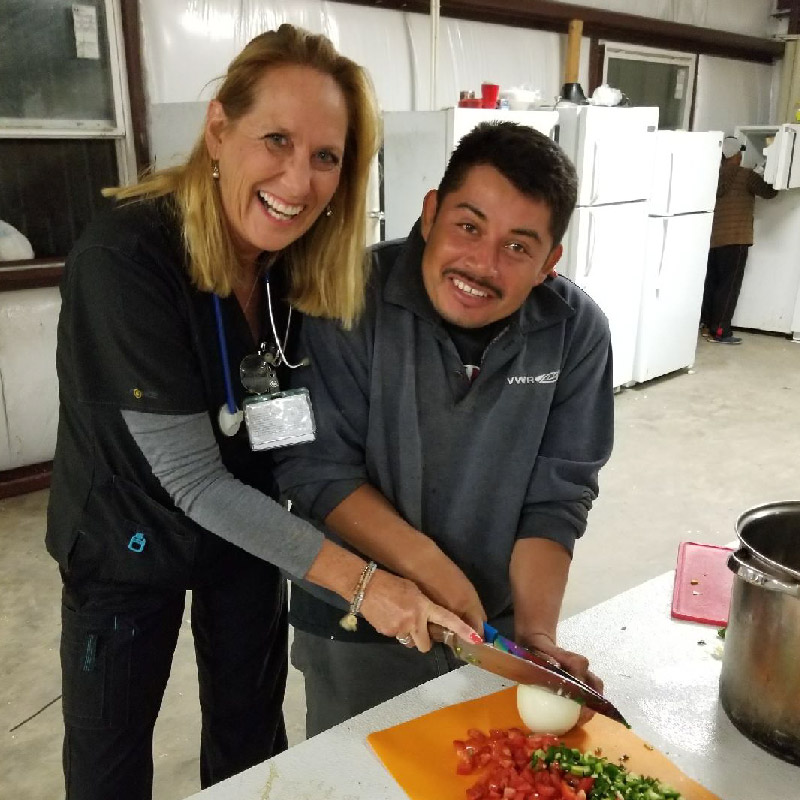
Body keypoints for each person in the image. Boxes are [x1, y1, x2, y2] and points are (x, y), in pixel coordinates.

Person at [46, 24, 476, 800]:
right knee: (110, 759)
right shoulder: (126, 259)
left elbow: (283, 433)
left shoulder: (289, 262)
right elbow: (191, 482)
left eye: (325, 157)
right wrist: (365, 582)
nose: (299, 180)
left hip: (245, 530)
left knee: (251, 736)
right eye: (275, 139)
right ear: (218, 130)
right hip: (127, 537)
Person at [274, 121, 615, 737]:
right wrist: (434, 571)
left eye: (518, 246)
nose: (482, 264)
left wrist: (535, 636)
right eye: (468, 226)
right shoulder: (349, 296)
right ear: (430, 213)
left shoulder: (575, 332)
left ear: (549, 262)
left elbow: (558, 495)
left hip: (495, 626)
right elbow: (318, 472)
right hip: (356, 619)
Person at [701, 134, 777, 345]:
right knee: (729, 286)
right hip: (736, 239)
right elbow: (769, 192)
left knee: (712, 284)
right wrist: (767, 171)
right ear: (736, 155)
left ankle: (708, 326)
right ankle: (721, 332)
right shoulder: (745, 175)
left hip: (712, 238)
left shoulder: (712, 175)